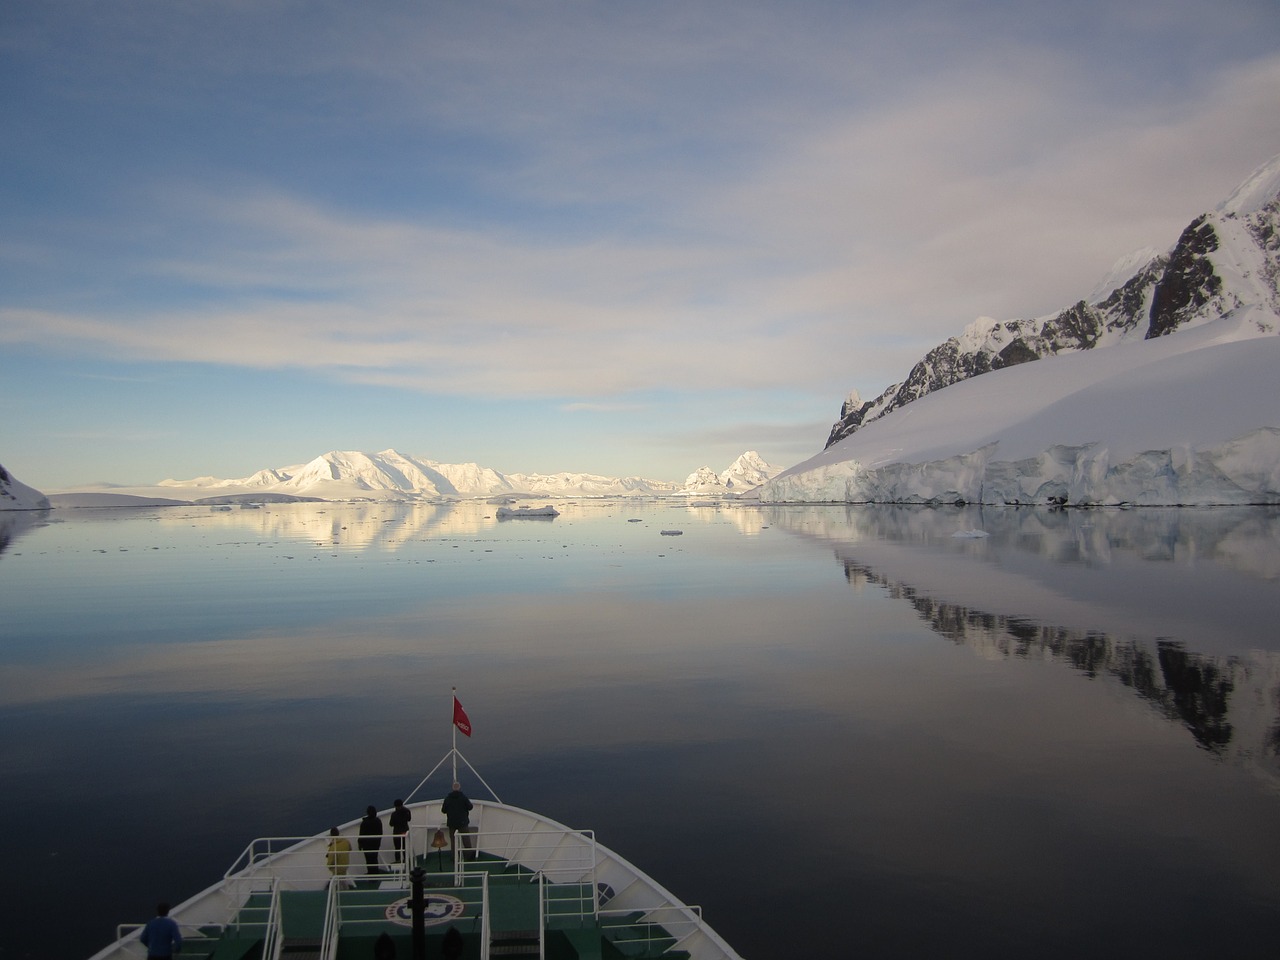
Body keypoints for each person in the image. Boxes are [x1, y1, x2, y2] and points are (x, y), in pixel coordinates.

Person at [441, 781, 473, 859]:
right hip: (463, 822)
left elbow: (443, 810)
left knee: (453, 841)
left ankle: (455, 857)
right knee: (466, 840)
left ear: (452, 788)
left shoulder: (448, 799)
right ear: (459, 788)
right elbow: (470, 807)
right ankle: (469, 856)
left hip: (452, 823)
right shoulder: (463, 798)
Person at [358, 805, 384, 874]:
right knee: (374, 858)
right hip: (375, 843)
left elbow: (361, 834)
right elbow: (380, 833)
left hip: (367, 844)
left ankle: (371, 873)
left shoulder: (364, 823)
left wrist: (360, 844)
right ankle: (375, 872)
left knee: (368, 859)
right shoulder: (378, 821)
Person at [389, 798, 411, 863]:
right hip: (405, 831)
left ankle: (398, 860)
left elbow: (391, 824)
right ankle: (406, 860)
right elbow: (409, 819)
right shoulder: (407, 811)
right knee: (405, 847)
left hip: (397, 833)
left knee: (397, 848)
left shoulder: (394, 814)